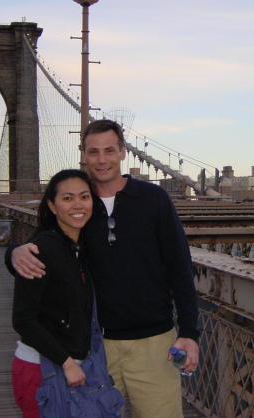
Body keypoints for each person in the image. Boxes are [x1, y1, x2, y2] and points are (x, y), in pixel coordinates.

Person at [10, 120, 200, 418]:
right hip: (94, 347)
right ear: (83, 155)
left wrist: (190, 332)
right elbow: (46, 244)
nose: (101, 160)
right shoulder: (80, 205)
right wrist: (13, 253)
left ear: (123, 152)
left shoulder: (154, 199)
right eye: (93, 152)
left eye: (109, 150)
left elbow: (180, 267)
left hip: (154, 344)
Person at [11, 169, 106, 418]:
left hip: (76, 366)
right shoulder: (39, 250)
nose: (78, 205)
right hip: (43, 369)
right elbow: (23, 320)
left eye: (84, 197)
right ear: (52, 206)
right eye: (67, 198)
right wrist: (66, 363)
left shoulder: (81, 248)